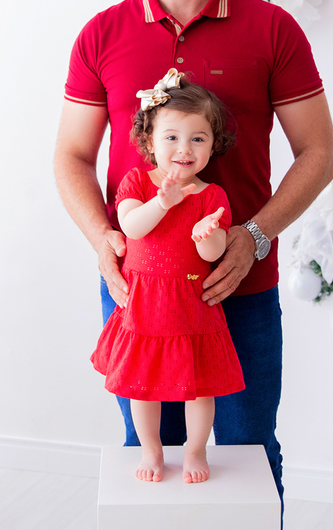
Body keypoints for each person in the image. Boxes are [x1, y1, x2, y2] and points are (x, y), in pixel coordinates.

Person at [55, 0, 333, 512]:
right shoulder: (102, 35)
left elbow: (318, 152)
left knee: (242, 462)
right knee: (148, 461)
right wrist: (103, 239)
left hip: (238, 292)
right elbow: (71, 155)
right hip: (137, 298)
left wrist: (255, 236)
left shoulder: (274, 30)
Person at [91, 70, 244, 483]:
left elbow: (213, 254)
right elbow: (132, 227)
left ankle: (195, 451)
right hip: (143, 305)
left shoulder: (211, 196)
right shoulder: (138, 182)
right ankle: (152, 450)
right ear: (150, 142)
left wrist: (207, 235)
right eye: (172, 137)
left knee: (199, 388)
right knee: (142, 387)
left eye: (198, 138)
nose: (184, 148)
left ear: (213, 145)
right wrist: (162, 202)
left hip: (191, 306)